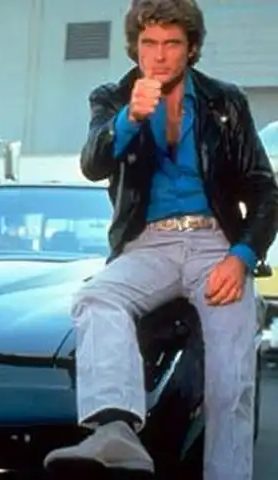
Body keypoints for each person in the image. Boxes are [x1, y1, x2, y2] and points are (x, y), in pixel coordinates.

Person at [43, 0, 278, 479]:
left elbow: (264, 189)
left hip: (215, 244)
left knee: (230, 382)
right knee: (95, 297)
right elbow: (92, 164)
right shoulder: (112, 97)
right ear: (136, 47)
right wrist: (129, 118)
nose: (160, 55)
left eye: (172, 43)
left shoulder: (225, 101)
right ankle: (116, 431)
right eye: (149, 43)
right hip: (147, 244)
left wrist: (242, 256)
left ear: (191, 48)